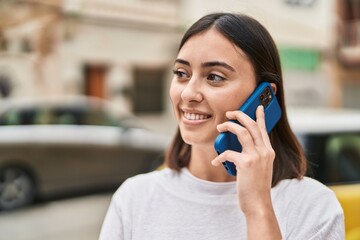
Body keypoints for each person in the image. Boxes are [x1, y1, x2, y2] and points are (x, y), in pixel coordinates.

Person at [99, 12, 344, 240]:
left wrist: (258, 209)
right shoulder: (134, 198)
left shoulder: (314, 207)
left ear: (264, 96)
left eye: (214, 77)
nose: (188, 93)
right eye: (181, 73)